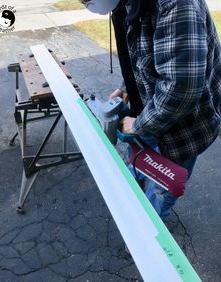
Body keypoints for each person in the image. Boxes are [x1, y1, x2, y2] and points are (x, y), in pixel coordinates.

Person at [80, 0, 221, 220]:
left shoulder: (176, 5)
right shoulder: (127, 2)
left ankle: (152, 233)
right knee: (138, 170)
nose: (86, 3)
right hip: (147, 114)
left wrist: (138, 124)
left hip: (182, 130)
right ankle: (137, 204)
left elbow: (182, 89)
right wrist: (127, 86)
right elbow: (144, 52)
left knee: (160, 190)